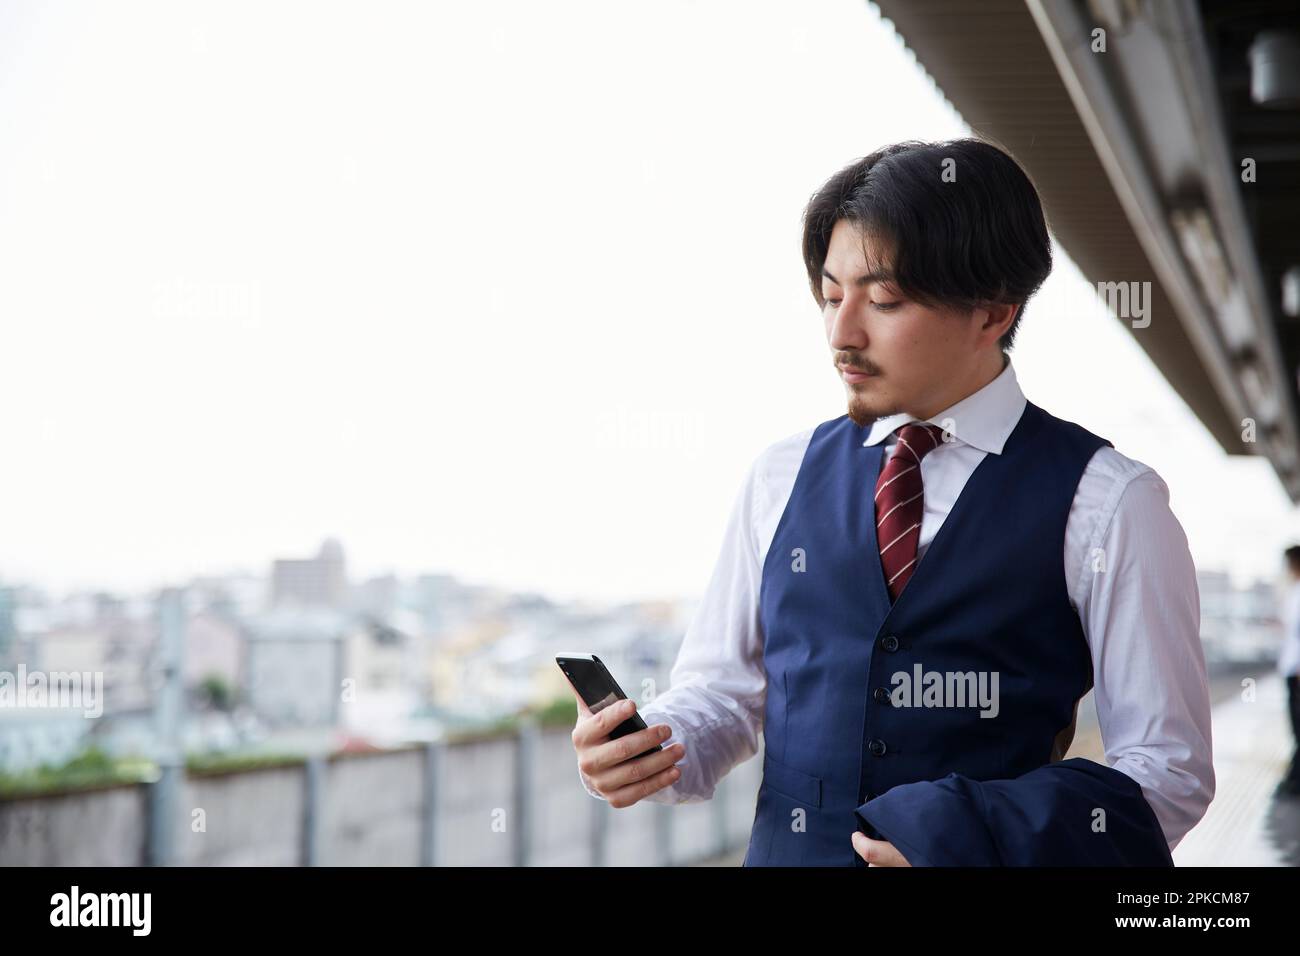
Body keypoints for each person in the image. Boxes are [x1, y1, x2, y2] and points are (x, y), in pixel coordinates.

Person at [569, 138, 1215, 866]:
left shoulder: (1110, 502)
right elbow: (721, 695)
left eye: (883, 300)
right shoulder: (779, 475)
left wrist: (968, 839)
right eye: (830, 295)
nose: (842, 334)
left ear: (993, 312)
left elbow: (1168, 771)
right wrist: (652, 748)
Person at [1276, 546, 1300, 798]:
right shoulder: (1293, 590)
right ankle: (1295, 776)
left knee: (1299, 724)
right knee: (1295, 724)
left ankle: (1296, 779)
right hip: (1291, 668)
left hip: (1297, 670)